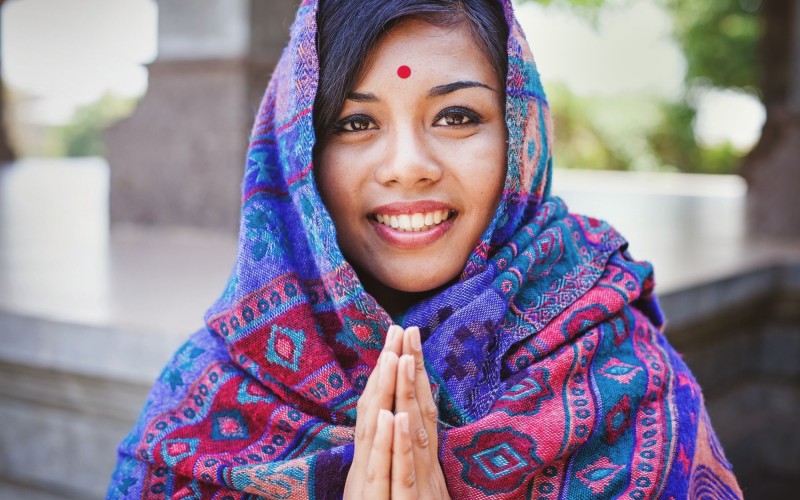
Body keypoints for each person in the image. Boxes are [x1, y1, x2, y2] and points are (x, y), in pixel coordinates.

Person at [107, 0, 743, 498]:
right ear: (297, 154)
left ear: (520, 134)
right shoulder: (214, 396)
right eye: (355, 123)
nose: (408, 167)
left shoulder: (620, 369)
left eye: (457, 116)